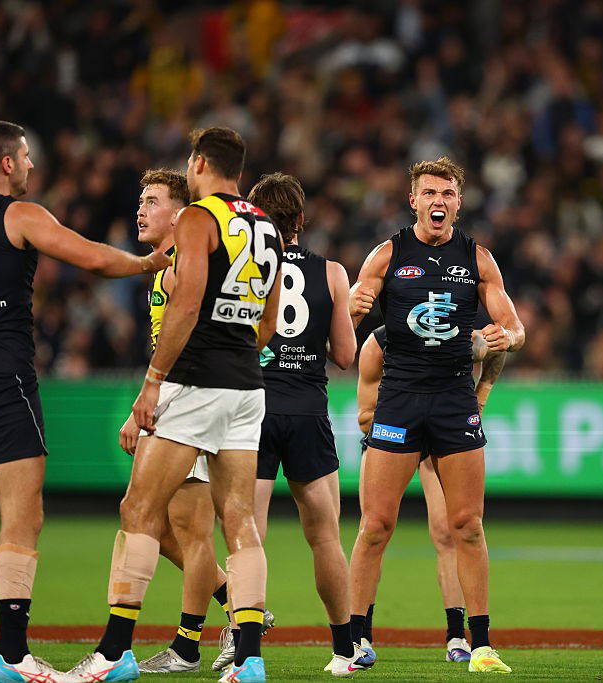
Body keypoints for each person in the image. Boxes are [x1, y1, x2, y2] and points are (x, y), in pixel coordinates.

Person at [63, 127, 282, 683]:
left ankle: (114, 654)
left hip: (195, 380)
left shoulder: (197, 219)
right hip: (246, 385)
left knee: (137, 510)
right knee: (240, 522)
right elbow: (267, 322)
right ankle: (249, 661)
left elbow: (185, 307)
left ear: (200, 162)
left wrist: (154, 383)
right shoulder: (267, 226)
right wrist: (234, 352)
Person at [0, 120, 170, 683]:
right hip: (1, 383)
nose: (30, 164)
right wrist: (148, 264)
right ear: (6, 163)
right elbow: (91, 258)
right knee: (22, 518)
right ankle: (11, 655)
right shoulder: (20, 215)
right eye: (25, 156)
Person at [347, 156, 524, 674]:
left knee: (466, 526)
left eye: (447, 193)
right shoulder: (388, 253)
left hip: (453, 402)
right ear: (413, 201)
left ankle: (480, 645)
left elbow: (514, 328)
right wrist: (353, 307)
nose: (438, 201)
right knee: (375, 525)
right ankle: (355, 642)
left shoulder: (478, 259)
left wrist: (507, 337)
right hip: (399, 400)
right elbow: (351, 310)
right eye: (429, 192)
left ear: (459, 202)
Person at [117, 169, 271, 675]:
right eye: (141, 200)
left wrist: (151, 395)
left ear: (179, 213)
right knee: (180, 526)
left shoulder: (188, 260)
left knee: (173, 523)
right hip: (215, 391)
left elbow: (189, 331)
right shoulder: (168, 267)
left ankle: (184, 639)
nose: (141, 209)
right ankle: (234, 612)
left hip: (194, 397)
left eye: (153, 201)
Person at [242, 172, 363, 677]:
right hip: (308, 411)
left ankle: (246, 653)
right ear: (301, 220)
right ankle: (345, 650)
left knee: (248, 536)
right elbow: (345, 355)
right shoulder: (332, 272)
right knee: (326, 537)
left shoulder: (242, 267)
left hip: (252, 410)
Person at [355, 324, 506, 664]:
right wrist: (410, 421)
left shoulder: (456, 333)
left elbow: (497, 345)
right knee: (374, 530)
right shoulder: (379, 343)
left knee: (448, 533)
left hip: (438, 433)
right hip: (393, 435)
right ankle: (361, 634)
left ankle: (457, 636)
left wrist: (481, 394)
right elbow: (365, 419)